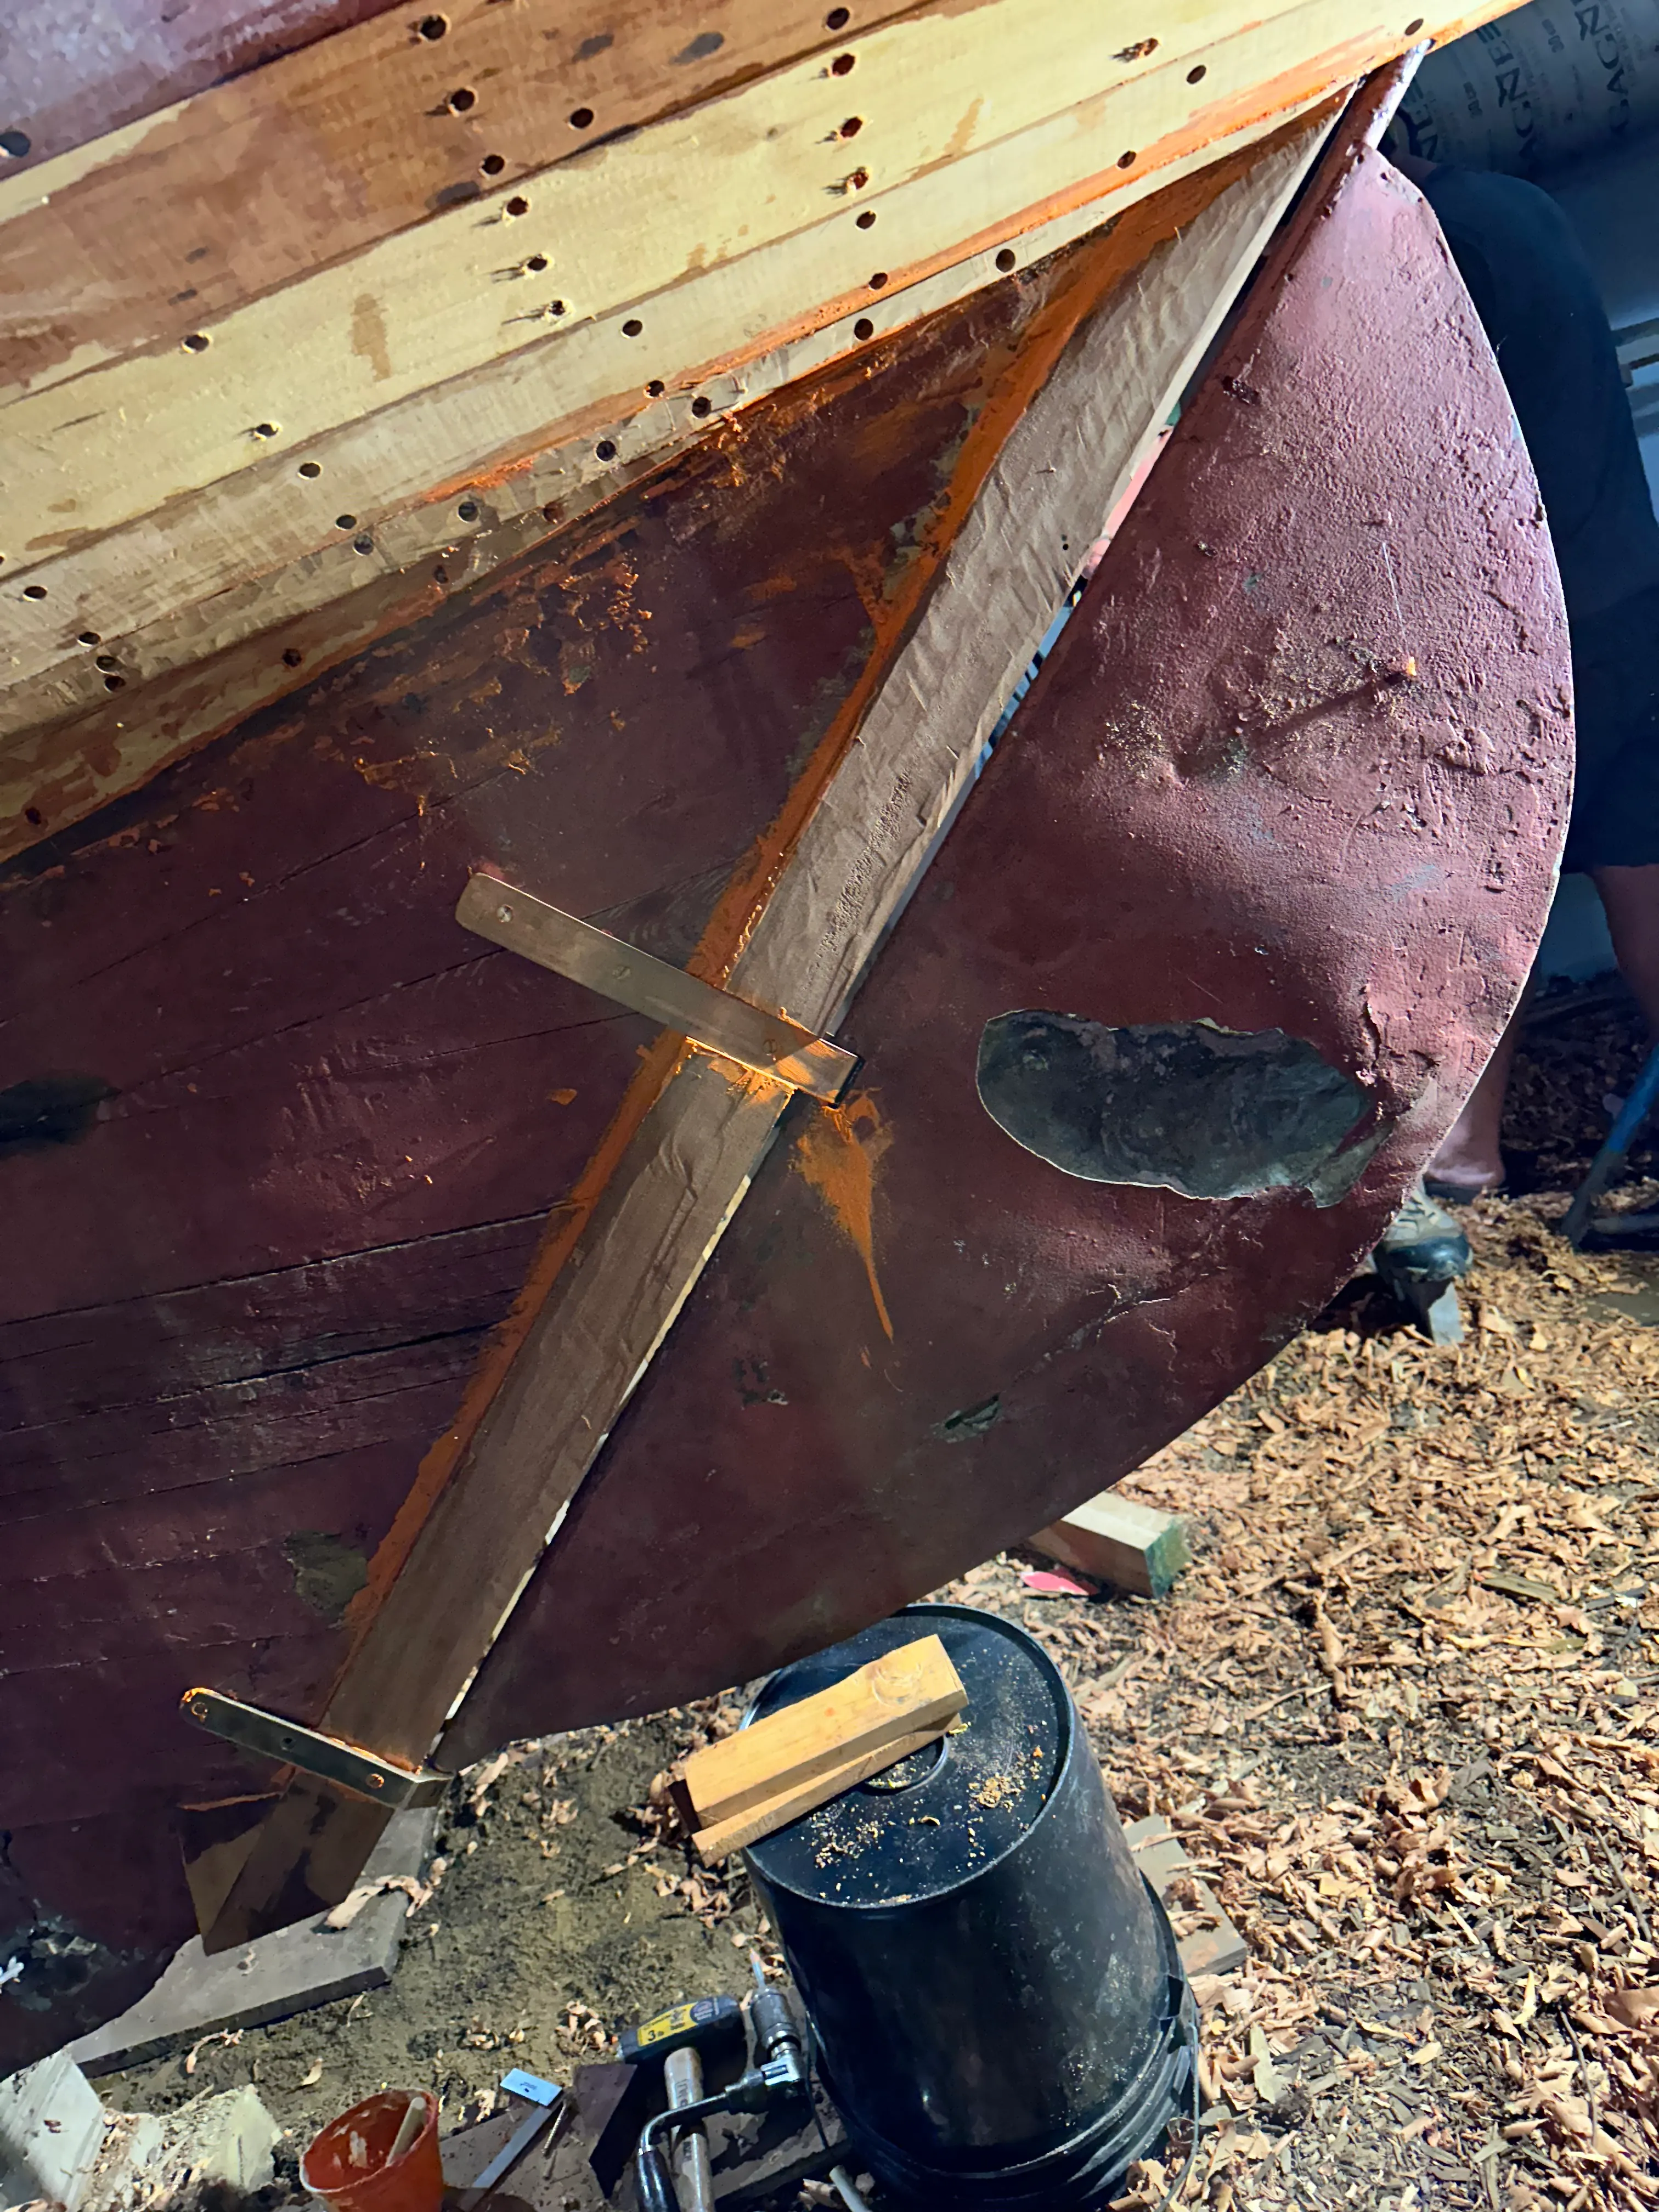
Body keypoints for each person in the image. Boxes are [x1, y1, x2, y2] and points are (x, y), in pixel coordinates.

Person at [1378, 156, 1659, 1286]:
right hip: (1625, 583)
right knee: (1643, 865)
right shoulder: (1517, 209)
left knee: (1488, 876)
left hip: (1525, 610)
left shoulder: (1419, 235)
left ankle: (1459, 1163)